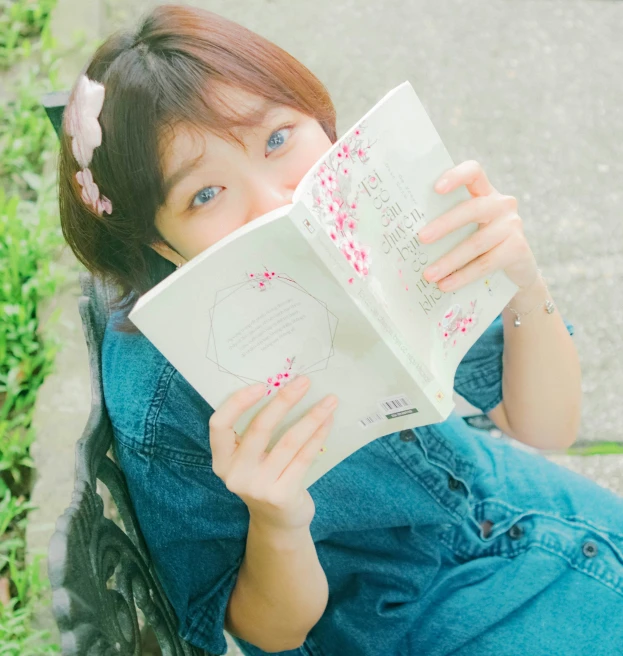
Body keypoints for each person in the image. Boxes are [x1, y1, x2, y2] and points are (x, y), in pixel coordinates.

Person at [57, 4, 623, 655]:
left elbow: (545, 428)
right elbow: (269, 632)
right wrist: (277, 517)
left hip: (507, 498)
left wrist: (522, 282)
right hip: (404, 616)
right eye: (205, 195)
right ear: (160, 241)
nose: (275, 201)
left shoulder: (370, 215)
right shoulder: (166, 394)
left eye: (277, 139)